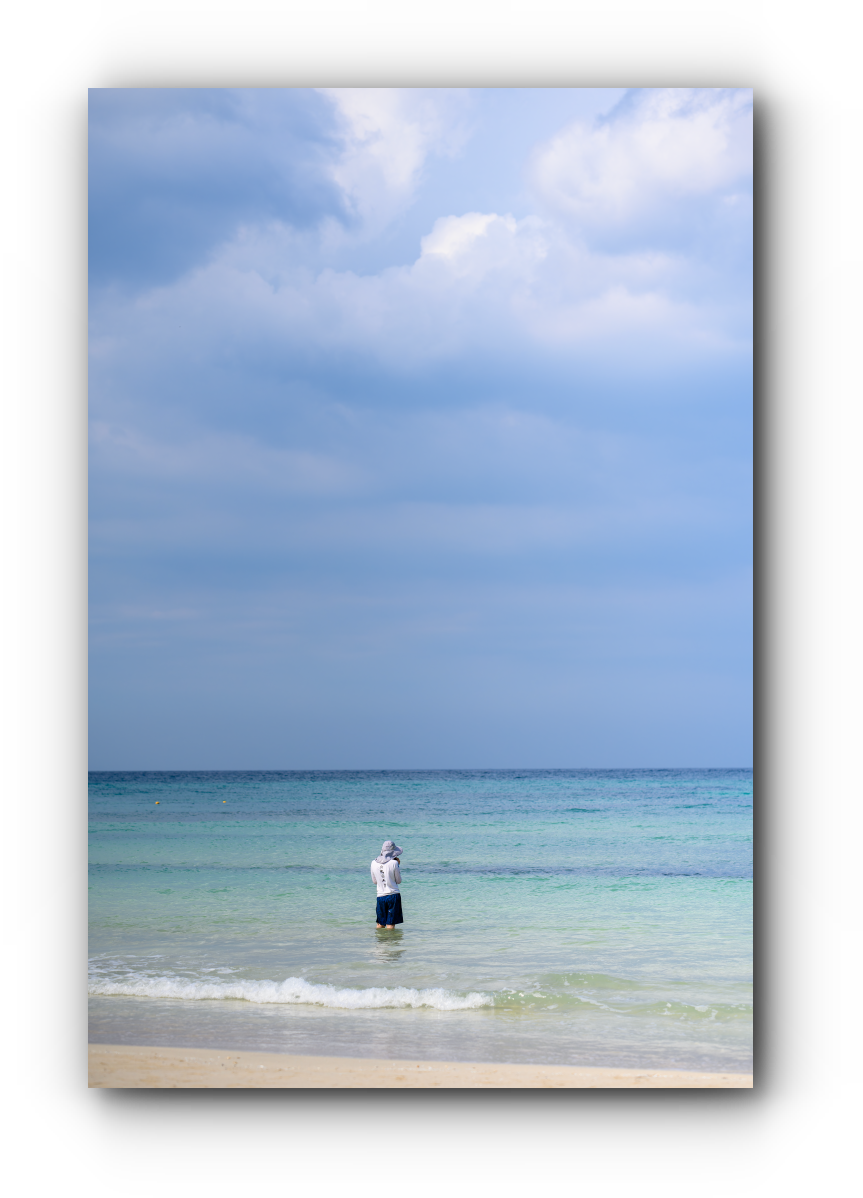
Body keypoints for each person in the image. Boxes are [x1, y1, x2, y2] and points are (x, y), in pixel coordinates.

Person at [371, 840, 404, 929]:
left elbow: (374, 881)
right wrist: (398, 866)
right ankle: (391, 938)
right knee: (390, 924)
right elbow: (398, 881)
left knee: (380, 924)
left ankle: (378, 938)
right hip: (393, 895)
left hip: (380, 896)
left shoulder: (373, 863)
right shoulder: (394, 863)